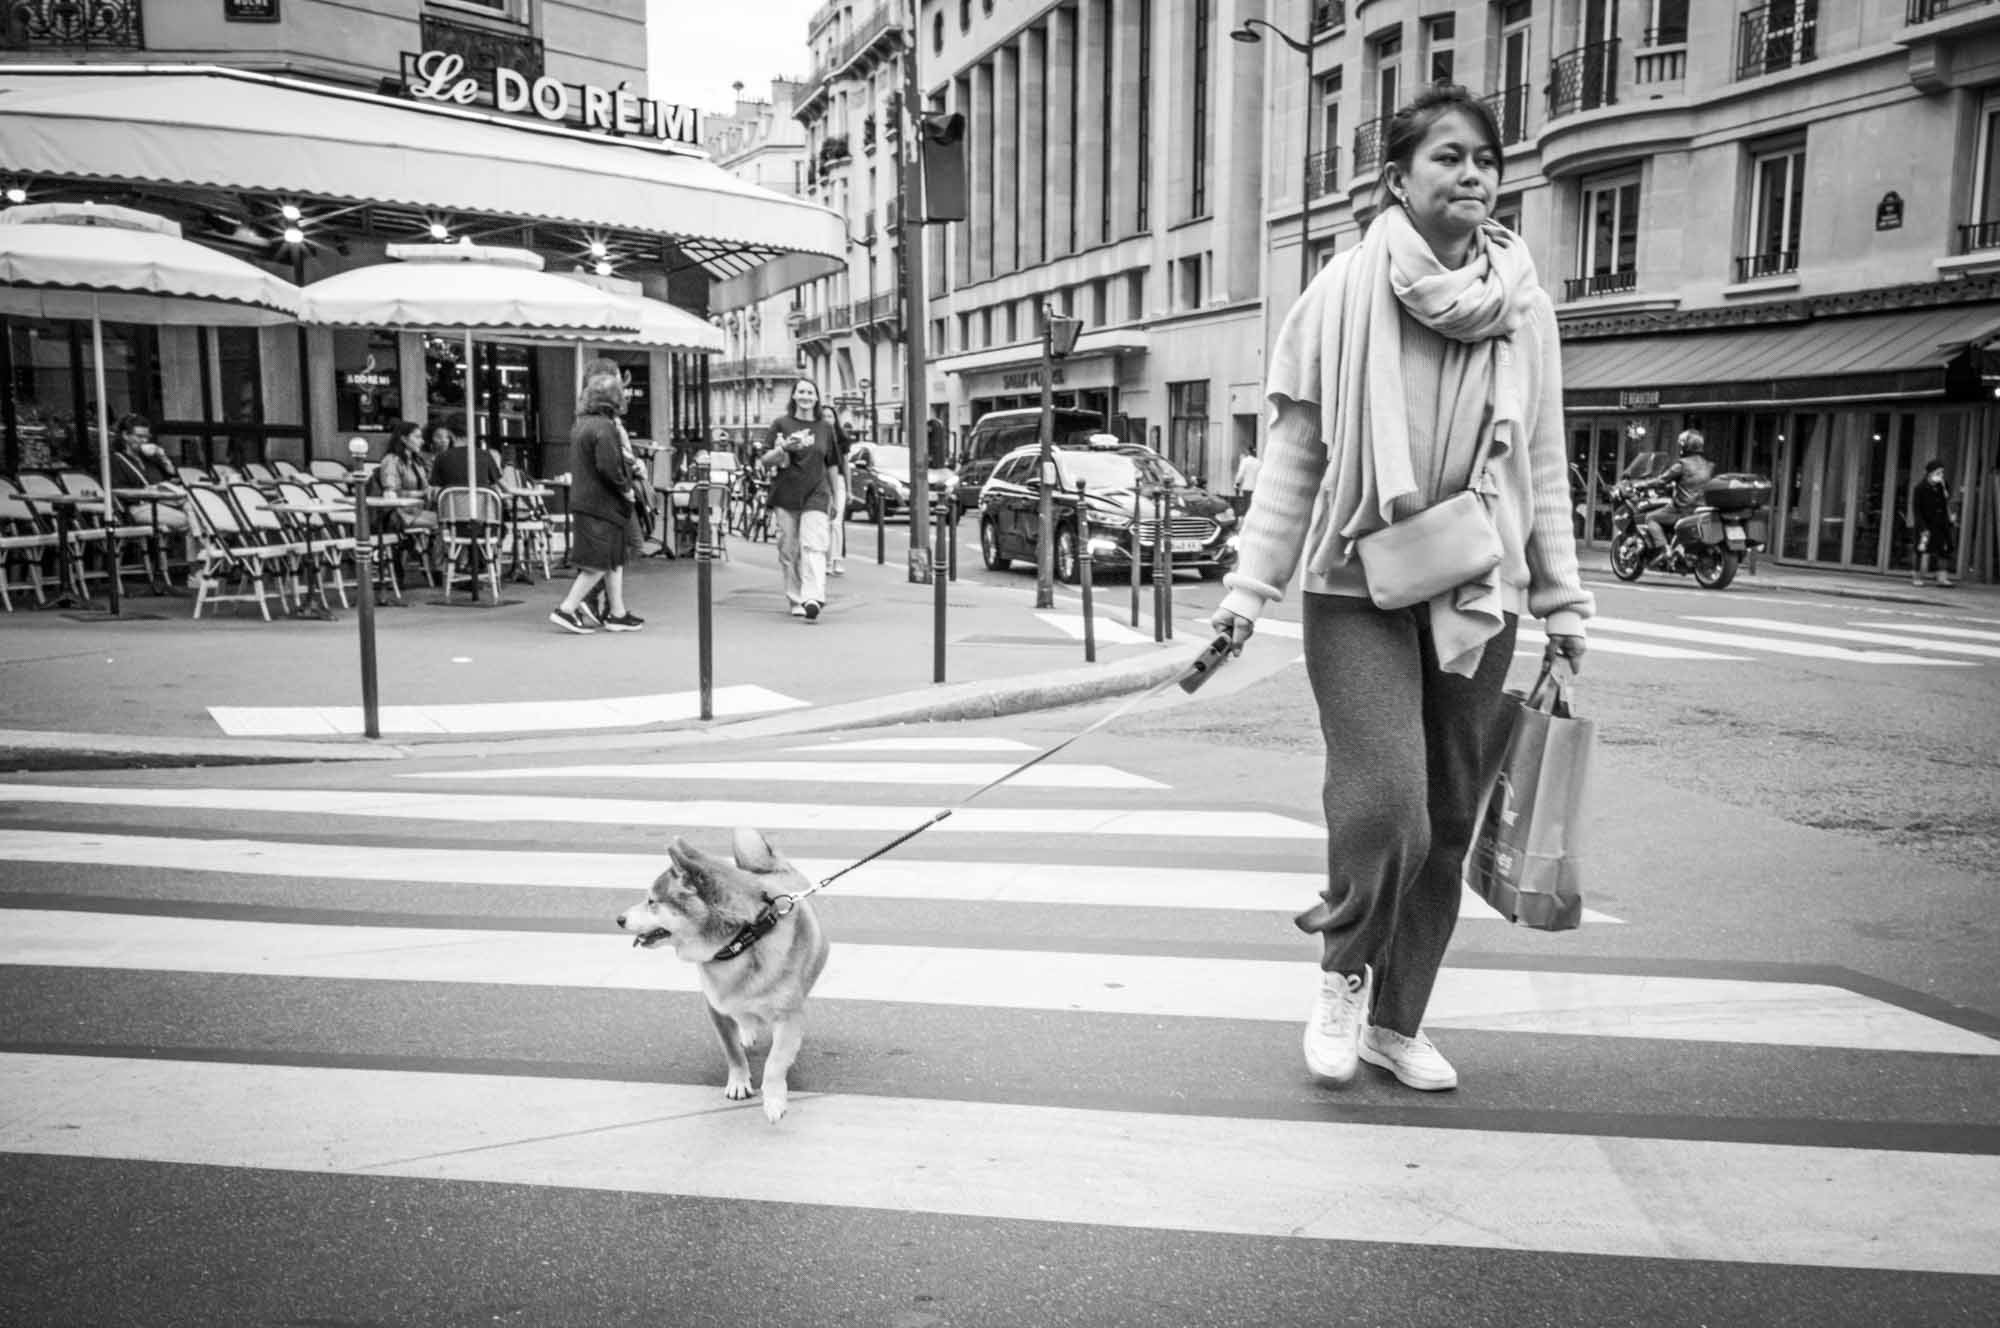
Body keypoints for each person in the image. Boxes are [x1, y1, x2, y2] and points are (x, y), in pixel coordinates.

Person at [1206, 83, 1591, 1094]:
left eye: (1484, 160)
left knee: (1450, 817)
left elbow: (1538, 463)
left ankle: (1394, 1018)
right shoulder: (1339, 294)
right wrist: (1248, 591)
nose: (1471, 175)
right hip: (1353, 581)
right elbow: (1293, 453)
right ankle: (1341, 972)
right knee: (1386, 804)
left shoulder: (1523, 309)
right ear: (1395, 178)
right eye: (1447, 158)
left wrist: (1561, 599)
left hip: (1476, 588)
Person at [549, 359, 645, 634]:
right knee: (599, 562)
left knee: (612, 559)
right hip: (602, 503)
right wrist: (626, 489)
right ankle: (566, 609)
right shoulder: (604, 428)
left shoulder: (583, 425)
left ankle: (617, 612)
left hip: (589, 501)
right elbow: (609, 466)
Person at [760, 379, 838, 621]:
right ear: (794, 396)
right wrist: (783, 448)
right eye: (801, 392)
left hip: (817, 492)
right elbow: (766, 460)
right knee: (789, 549)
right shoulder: (780, 424)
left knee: (814, 545)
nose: (806, 396)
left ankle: (812, 598)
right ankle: (795, 597)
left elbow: (833, 463)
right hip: (786, 494)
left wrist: (835, 497)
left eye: (810, 392)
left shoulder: (825, 428)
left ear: (817, 398)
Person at [1642, 429, 1715, 551]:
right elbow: (1696, 483)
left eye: (1681, 444)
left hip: (1683, 509)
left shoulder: (1682, 465)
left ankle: (1664, 549)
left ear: (1686, 446)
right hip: (1701, 509)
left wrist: (1643, 484)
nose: (1680, 447)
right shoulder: (1708, 466)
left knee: (1650, 517)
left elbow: (1661, 480)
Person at [1911, 459, 1957, 588]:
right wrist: (1922, 527)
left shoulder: (1942, 486)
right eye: (1938, 472)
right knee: (1922, 550)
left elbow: (1946, 502)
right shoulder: (1920, 488)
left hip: (1941, 524)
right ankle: (1918, 576)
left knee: (1943, 550)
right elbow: (1917, 510)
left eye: (1942, 472)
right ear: (1929, 473)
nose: (1941, 475)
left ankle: (1942, 578)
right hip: (1925, 524)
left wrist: (1949, 519)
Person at [821, 403, 852, 576]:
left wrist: (849, 490)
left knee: (836, 522)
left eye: (830, 416)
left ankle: (837, 559)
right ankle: (826, 561)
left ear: (835, 419)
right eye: (824, 416)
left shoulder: (842, 440)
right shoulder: (817, 436)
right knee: (824, 523)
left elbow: (846, 466)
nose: (827, 419)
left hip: (838, 481)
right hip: (821, 481)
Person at [1232, 442, 1261, 518]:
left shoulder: (1245, 461)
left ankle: (1247, 522)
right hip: (1256, 488)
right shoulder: (1259, 462)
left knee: (1247, 507)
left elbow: (1240, 474)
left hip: (1247, 487)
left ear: (1248, 451)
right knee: (1254, 507)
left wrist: (1236, 484)